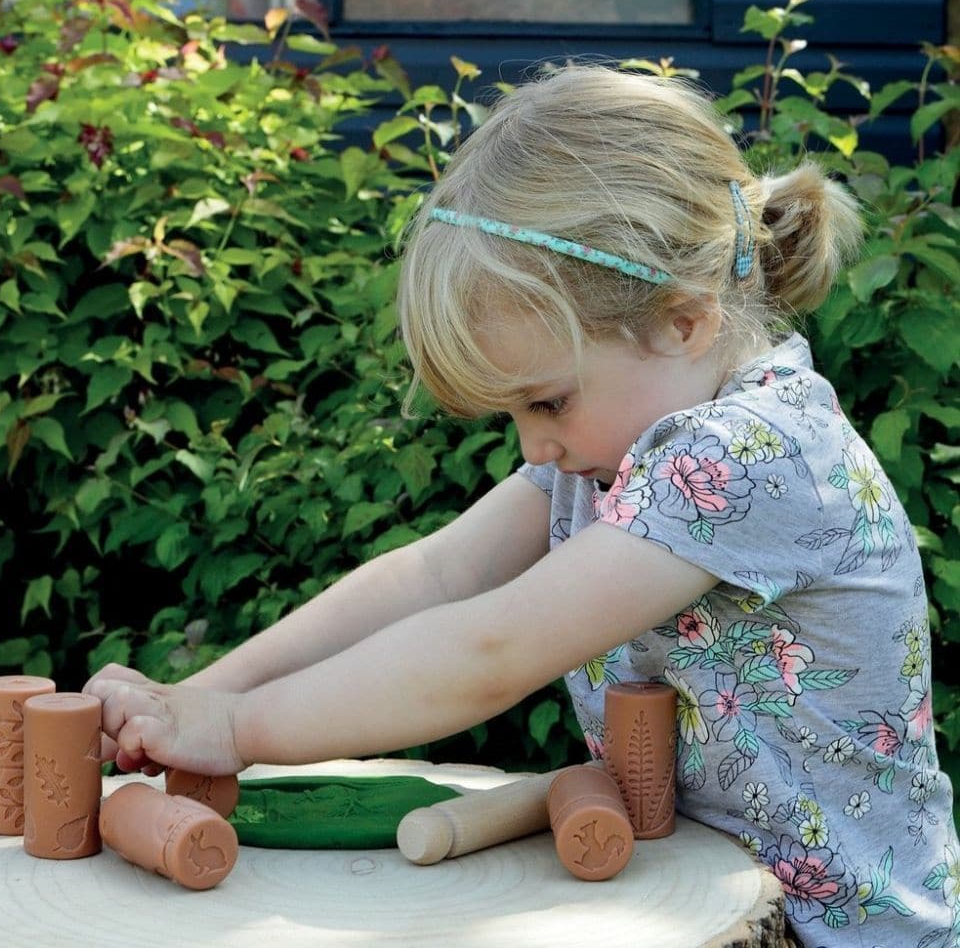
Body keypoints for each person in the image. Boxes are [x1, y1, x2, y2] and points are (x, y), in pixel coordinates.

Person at [85, 66, 959, 947]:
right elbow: (437, 575)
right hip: (673, 889)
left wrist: (239, 729)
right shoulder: (617, 443)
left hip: (841, 932)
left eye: (544, 402)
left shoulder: (750, 452)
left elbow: (490, 649)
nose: (532, 447)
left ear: (683, 323)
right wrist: (194, 697)